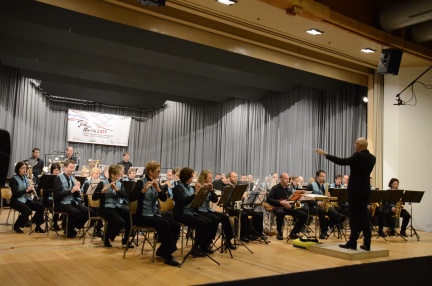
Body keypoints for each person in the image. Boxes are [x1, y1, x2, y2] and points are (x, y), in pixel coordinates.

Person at [316, 137, 376, 251]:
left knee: (354, 216)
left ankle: (352, 243)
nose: (354, 146)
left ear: (359, 145)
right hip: (365, 190)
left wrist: (325, 154)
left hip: (355, 190)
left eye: (355, 144)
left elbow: (341, 161)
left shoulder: (358, 156)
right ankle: (367, 244)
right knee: (364, 217)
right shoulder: (372, 158)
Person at [130, 161, 181, 266]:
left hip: (153, 214)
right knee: (164, 223)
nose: (159, 173)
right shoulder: (141, 182)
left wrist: (158, 189)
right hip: (142, 216)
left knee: (175, 225)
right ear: (150, 172)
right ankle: (168, 255)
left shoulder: (156, 182)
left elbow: (163, 198)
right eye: (157, 171)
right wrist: (143, 191)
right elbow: (131, 197)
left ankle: (162, 250)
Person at [172, 167, 214, 257]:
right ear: (187, 177)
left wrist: (201, 193)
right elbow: (184, 201)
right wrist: (196, 193)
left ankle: (203, 245)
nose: (193, 178)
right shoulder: (178, 188)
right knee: (202, 222)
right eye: (192, 176)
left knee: (209, 221)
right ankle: (195, 248)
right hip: (180, 214)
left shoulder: (190, 187)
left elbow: (195, 202)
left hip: (190, 212)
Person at [215, 171, 265, 242]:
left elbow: (240, 200)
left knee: (259, 214)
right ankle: (243, 236)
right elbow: (227, 200)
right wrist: (241, 197)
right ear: (229, 178)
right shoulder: (226, 188)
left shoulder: (237, 187)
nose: (236, 178)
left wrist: (245, 198)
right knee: (244, 214)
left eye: (236, 177)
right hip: (230, 208)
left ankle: (256, 234)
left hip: (239, 207)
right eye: (234, 177)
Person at [196, 169, 236, 250]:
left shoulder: (209, 186)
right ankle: (207, 242)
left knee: (224, 217)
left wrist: (211, 190)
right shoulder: (197, 186)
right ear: (204, 178)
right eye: (210, 178)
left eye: (211, 178)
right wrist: (202, 190)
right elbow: (198, 201)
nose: (211, 180)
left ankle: (228, 240)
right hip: (200, 210)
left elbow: (214, 200)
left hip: (208, 209)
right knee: (215, 219)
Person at [93, 164, 131, 247]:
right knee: (120, 221)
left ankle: (126, 240)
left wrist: (117, 190)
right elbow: (94, 197)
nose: (120, 176)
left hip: (116, 206)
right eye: (118, 174)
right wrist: (102, 193)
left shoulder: (120, 184)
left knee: (130, 216)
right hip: (105, 207)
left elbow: (125, 196)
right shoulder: (102, 183)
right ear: (112, 175)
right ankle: (107, 237)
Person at [53, 160, 91, 238]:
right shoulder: (58, 178)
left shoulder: (72, 178)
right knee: (75, 212)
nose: (72, 169)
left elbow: (75, 194)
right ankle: (68, 230)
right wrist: (71, 190)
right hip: (61, 203)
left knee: (88, 211)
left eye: (73, 168)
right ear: (64, 168)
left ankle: (74, 227)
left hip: (71, 201)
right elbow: (57, 195)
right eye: (70, 167)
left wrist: (77, 189)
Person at [267, 173, 308, 240]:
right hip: (278, 207)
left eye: (288, 178)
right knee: (281, 213)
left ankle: (294, 232)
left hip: (287, 208)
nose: (287, 180)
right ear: (281, 179)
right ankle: (279, 232)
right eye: (285, 178)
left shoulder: (288, 189)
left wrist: (290, 205)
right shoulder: (275, 188)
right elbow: (269, 199)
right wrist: (280, 202)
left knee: (303, 215)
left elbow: (290, 200)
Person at [306, 170, 346, 239]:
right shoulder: (311, 186)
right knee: (322, 211)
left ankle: (327, 226)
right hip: (313, 206)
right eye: (321, 176)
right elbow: (307, 199)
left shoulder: (326, 186)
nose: (323, 178)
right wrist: (317, 202)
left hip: (324, 206)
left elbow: (329, 198)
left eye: (324, 176)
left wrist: (329, 197)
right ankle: (323, 232)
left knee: (336, 214)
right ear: (317, 177)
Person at [9, 161, 45, 233]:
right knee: (27, 211)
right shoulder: (14, 179)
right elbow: (15, 193)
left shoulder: (25, 177)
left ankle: (37, 225)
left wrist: (31, 189)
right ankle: (16, 225)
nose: (24, 170)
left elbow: (27, 191)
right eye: (22, 168)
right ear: (18, 169)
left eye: (25, 168)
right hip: (16, 200)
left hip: (25, 199)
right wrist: (26, 190)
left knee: (41, 206)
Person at [40, 163, 62, 231]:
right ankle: (54, 223)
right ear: (52, 170)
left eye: (58, 170)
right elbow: (45, 192)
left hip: (56, 198)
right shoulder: (48, 178)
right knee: (56, 204)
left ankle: (63, 223)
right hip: (48, 198)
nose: (57, 172)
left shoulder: (60, 178)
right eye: (55, 170)